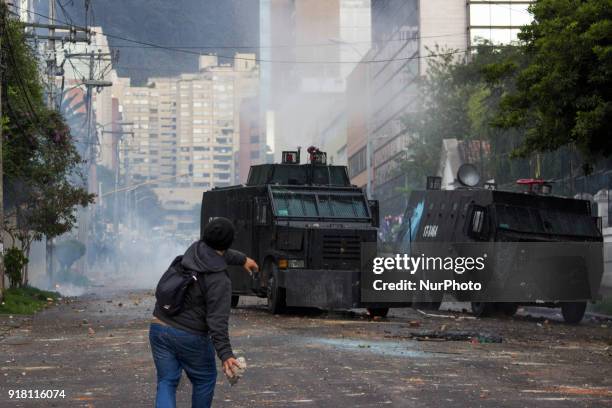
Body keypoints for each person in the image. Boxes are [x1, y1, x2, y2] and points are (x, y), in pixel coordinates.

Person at [149, 217, 258, 408]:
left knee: (167, 381)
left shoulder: (194, 250)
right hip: (189, 336)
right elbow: (217, 321)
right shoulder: (219, 281)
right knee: (204, 379)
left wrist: (243, 260)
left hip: (159, 325)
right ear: (228, 243)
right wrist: (226, 354)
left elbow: (219, 254)